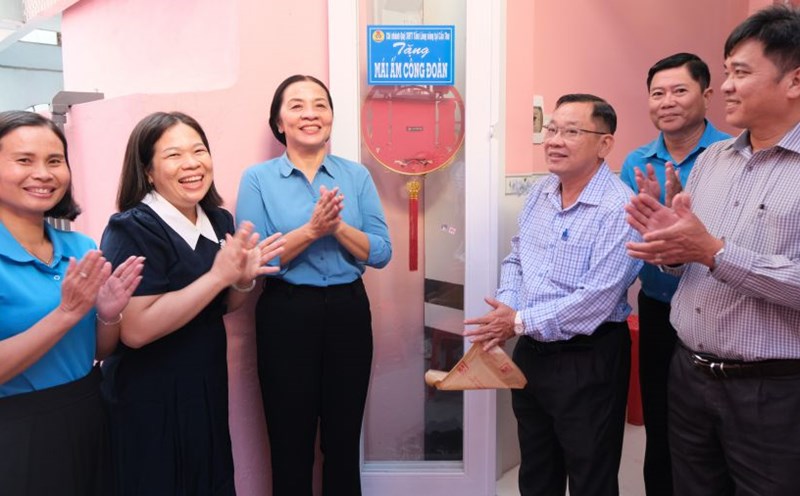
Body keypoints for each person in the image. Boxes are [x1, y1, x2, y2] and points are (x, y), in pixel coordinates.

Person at [625, 5, 800, 495]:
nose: (724, 86)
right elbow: (689, 264)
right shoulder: (714, 162)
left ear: (795, 81)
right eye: (725, 73)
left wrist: (712, 251)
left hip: (774, 389)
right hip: (690, 375)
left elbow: (716, 255)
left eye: (739, 73)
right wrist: (671, 246)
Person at [99, 111, 285, 495]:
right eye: (173, 155)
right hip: (147, 397)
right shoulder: (131, 229)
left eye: (199, 150)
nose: (192, 163)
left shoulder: (218, 220)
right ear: (147, 170)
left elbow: (220, 306)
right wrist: (218, 275)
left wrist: (244, 280)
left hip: (205, 386)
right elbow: (134, 331)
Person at [465, 94, 642, 496]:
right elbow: (516, 257)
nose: (555, 140)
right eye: (552, 129)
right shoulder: (542, 191)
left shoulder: (620, 207)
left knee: (590, 475)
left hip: (588, 358)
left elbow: (596, 299)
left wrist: (516, 321)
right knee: (537, 470)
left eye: (572, 131)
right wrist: (509, 303)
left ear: (604, 144)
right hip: (532, 351)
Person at [236, 75, 392, 496]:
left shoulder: (355, 176)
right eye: (297, 105)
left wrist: (337, 227)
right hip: (286, 313)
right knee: (290, 443)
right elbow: (254, 261)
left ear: (332, 118)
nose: (311, 113)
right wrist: (312, 229)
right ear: (279, 121)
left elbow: (380, 251)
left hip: (348, 312)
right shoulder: (257, 180)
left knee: (343, 442)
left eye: (320, 104)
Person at [0, 110, 143, 496]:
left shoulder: (81, 248)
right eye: (24, 160)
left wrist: (109, 316)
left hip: (88, 410)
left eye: (54, 161)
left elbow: (95, 350)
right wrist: (65, 314)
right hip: (17, 430)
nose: (44, 174)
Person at [619, 52, 730, 496]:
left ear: (706, 96)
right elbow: (628, 236)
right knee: (661, 423)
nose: (667, 101)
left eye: (679, 90)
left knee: (714, 429)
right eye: (657, 93)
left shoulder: (729, 156)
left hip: (718, 310)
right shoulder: (636, 162)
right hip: (659, 307)